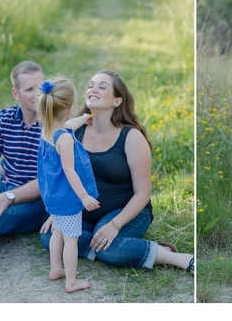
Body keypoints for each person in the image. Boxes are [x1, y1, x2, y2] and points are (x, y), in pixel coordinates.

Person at [39, 69, 194, 274]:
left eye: (102, 87)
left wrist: (115, 224)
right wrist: (60, 212)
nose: (93, 89)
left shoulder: (131, 137)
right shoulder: (74, 130)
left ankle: (174, 257)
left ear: (117, 101)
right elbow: (61, 175)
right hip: (81, 209)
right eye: (91, 85)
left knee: (109, 248)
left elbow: (142, 193)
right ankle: (107, 243)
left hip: (125, 210)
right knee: (50, 236)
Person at [36, 77, 100, 292]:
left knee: (58, 233)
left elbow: (69, 125)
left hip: (52, 197)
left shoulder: (48, 130)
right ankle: (71, 282)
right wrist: (84, 197)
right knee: (71, 240)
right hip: (68, 198)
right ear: (69, 108)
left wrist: (83, 118)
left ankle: (56, 269)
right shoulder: (65, 139)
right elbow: (69, 170)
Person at [0, 61, 47, 241]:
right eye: (29, 89)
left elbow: (47, 180)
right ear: (16, 93)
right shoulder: (2, 119)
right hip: (4, 184)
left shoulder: (54, 125)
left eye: (40, 88)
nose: (37, 94)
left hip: (37, 199)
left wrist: (8, 197)